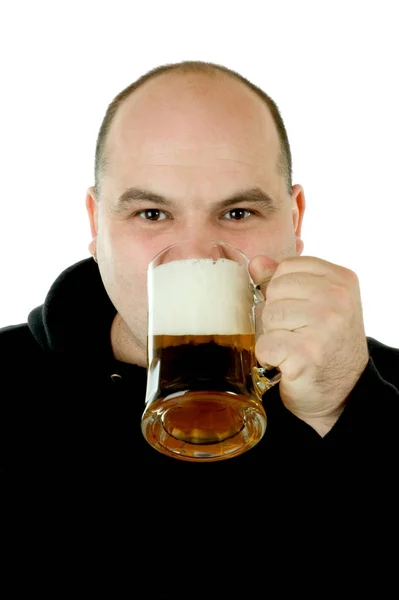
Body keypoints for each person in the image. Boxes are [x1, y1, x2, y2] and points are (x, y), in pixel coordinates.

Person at [1, 61, 398, 592]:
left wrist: (346, 415)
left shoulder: (381, 390)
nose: (194, 256)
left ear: (296, 220)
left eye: (237, 213)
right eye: (150, 214)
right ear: (96, 226)